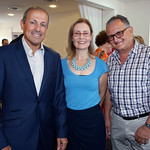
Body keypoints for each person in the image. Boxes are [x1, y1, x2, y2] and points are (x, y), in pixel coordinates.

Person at [0, 7, 67, 150]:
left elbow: (59, 98)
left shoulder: (54, 58)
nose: (38, 28)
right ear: (22, 24)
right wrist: (1, 141)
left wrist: (61, 131)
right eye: (33, 22)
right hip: (13, 139)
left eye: (43, 25)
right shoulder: (4, 55)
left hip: (47, 137)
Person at [105, 14, 150, 150]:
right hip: (117, 122)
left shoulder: (147, 55)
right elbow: (109, 92)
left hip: (142, 122)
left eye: (119, 33)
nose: (115, 39)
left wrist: (148, 126)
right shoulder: (110, 59)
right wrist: (107, 117)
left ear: (130, 30)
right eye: (111, 36)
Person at [61, 18, 108, 150]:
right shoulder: (61, 64)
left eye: (85, 33)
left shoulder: (101, 65)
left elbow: (102, 95)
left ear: (91, 36)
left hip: (93, 121)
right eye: (77, 33)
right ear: (72, 37)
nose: (81, 37)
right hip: (69, 121)